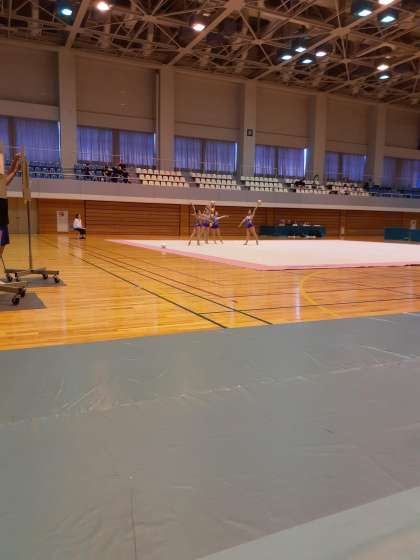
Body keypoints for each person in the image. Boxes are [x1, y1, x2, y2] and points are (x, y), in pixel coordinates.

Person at [0, 154, 21, 264]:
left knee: (2, 241)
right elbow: (7, 180)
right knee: (1, 241)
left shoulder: (1, 177)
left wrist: (15, 159)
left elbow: (8, 173)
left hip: (2, 214)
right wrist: (15, 170)